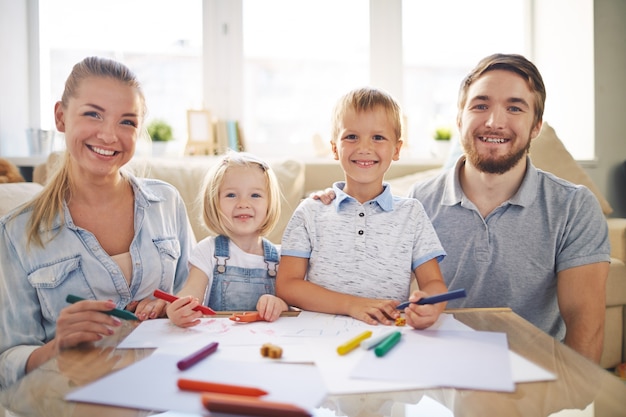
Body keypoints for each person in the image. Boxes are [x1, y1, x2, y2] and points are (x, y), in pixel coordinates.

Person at [0, 56, 195, 389]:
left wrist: (176, 307)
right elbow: (7, 360)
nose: (109, 136)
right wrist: (56, 346)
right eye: (93, 114)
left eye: (127, 122)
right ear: (61, 117)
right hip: (75, 397)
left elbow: (197, 297)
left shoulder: (167, 203)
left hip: (168, 389)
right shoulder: (17, 232)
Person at [276, 87, 448, 329]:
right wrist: (352, 305)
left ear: (396, 149)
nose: (364, 147)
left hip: (389, 333)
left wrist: (431, 304)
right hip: (318, 334)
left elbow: (433, 284)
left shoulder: (412, 213)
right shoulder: (310, 211)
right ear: (335, 148)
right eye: (351, 137)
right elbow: (287, 285)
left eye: (378, 137)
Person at [165, 151, 288, 327]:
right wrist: (178, 308)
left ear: (270, 204)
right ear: (214, 202)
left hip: (264, 345)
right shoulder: (207, 251)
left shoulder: (281, 257)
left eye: (255, 195)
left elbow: (295, 308)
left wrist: (280, 305)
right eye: (231, 195)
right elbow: (190, 293)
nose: (243, 203)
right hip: (219, 343)